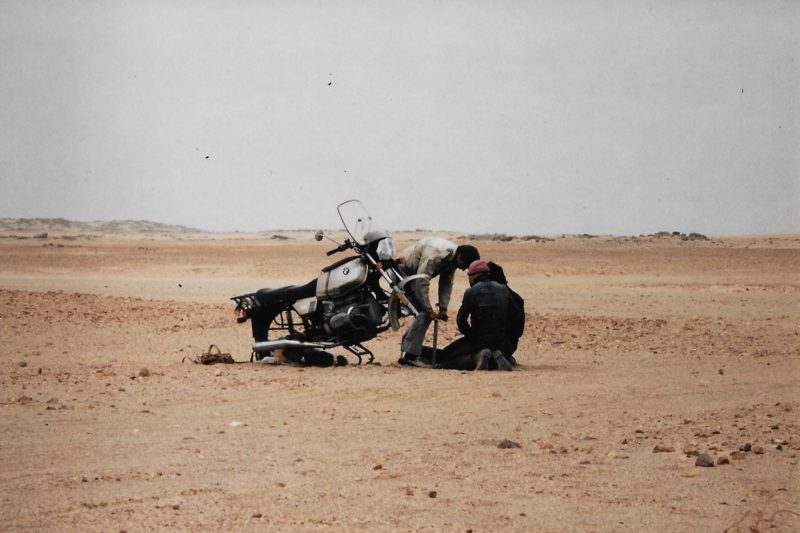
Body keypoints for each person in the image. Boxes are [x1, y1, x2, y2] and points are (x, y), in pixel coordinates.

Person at [396, 237, 480, 367]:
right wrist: (429, 309)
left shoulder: (452, 258)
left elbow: (446, 283)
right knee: (423, 312)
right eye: (464, 266)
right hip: (402, 273)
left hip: (414, 276)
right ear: (460, 257)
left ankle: (410, 348)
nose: (463, 269)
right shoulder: (436, 254)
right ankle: (410, 356)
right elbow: (421, 281)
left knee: (423, 312)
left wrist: (443, 308)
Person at [435, 259, 514, 371]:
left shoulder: (471, 292)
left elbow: (461, 320)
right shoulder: (503, 289)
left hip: (479, 340)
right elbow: (515, 314)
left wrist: (471, 335)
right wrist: (503, 331)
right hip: (500, 341)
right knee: (492, 349)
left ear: (474, 276)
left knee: (448, 357)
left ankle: (478, 357)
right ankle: (497, 355)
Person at [487, 261, 525, 365]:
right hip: (510, 344)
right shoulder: (517, 298)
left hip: (494, 342)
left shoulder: (488, 297)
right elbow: (519, 331)